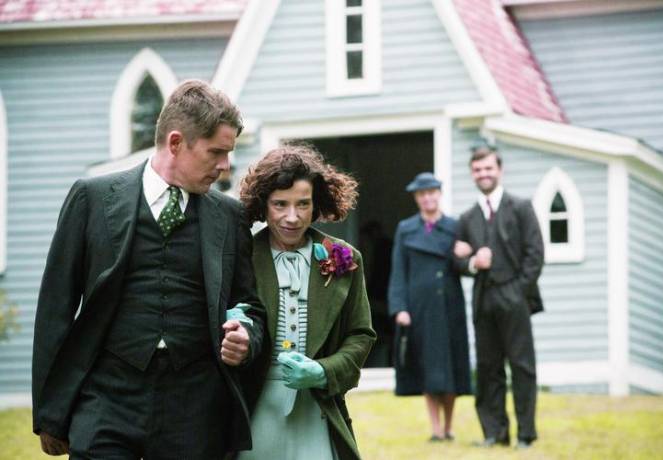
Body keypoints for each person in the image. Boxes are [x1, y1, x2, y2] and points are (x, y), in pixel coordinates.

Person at [31, 79, 266, 459]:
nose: (225, 167)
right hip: (106, 398)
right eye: (216, 153)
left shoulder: (230, 215)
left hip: (195, 405)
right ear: (176, 143)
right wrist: (49, 411)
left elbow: (249, 305)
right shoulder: (91, 199)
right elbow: (55, 308)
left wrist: (247, 335)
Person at [238, 144, 376, 460]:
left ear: (316, 205)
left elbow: (361, 334)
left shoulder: (344, 257)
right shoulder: (240, 256)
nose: (292, 217)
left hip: (317, 408)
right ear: (263, 205)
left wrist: (324, 371)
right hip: (255, 409)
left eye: (303, 204)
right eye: (280, 204)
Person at [453, 142, 544, 449]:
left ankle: (526, 435)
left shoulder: (521, 207)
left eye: (488, 168)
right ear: (472, 174)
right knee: (488, 369)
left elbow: (535, 255)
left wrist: (518, 291)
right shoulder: (467, 218)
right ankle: (494, 433)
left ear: (500, 170)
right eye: (478, 170)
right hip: (483, 300)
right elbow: (458, 261)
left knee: (521, 367)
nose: (484, 174)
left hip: (514, 296)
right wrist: (471, 263)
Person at [387, 172, 472, 442]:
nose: (427, 198)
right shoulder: (406, 228)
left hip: (449, 305)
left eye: (432, 192)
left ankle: (449, 427)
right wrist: (399, 307)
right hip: (419, 308)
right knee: (428, 368)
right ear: (416, 198)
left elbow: (464, 265)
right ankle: (435, 429)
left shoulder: (455, 226)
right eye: (422, 194)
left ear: (439, 194)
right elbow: (398, 270)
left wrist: (467, 254)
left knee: (450, 367)